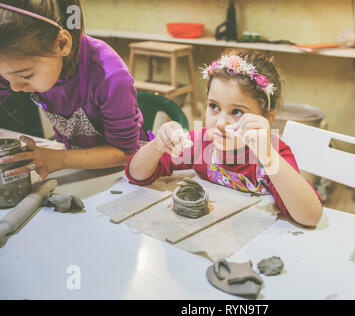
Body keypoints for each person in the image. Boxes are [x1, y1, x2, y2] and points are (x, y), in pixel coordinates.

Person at [126, 48, 323, 227]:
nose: (221, 122)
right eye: (214, 106)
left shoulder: (272, 154)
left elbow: (310, 216)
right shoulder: (200, 144)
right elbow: (136, 174)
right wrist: (157, 145)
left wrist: (268, 155)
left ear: (266, 119)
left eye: (236, 111)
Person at [0, 1, 147, 181]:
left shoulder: (110, 76)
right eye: (6, 76)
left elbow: (125, 151)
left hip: (124, 171)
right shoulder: (18, 64)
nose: (14, 87)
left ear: (62, 44)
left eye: (27, 76)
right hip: (76, 164)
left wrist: (57, 159)